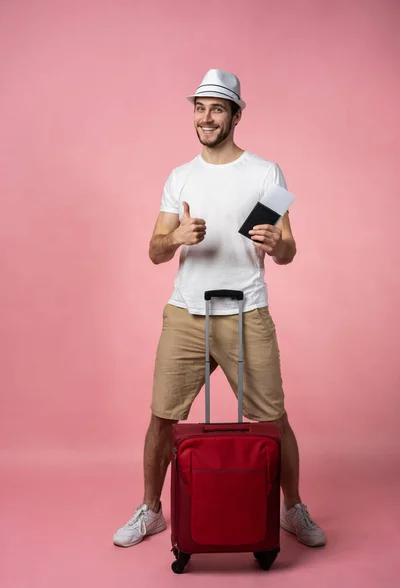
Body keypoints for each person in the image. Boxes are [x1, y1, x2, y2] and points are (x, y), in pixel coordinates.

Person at [113, 69, 326, 549]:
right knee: (162, 417)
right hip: (186, 314)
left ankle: (293, 509)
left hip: (246, 311)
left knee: (273, 420)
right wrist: (176, 237)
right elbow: (154, 250)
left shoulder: (265, 173)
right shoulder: (180, 176)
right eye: (199, 107)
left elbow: (289, 249)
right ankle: (151, 510)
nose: (205, 117)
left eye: (216, 108)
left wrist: (276, 244)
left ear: (235, 115)